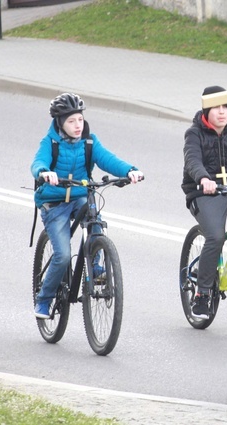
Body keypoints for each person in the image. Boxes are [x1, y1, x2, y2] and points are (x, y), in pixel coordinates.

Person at [31, 92, 144, 319]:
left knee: (95, 220)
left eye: (80, 120)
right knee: (62, 255)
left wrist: (129, 170)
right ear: (60, 123)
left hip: (80, 196)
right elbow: (38, 162)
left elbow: (108, 159)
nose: (77, 125)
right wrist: (45, 173)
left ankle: (96, 263)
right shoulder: (50, 142)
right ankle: (44, 299)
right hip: (54, 202)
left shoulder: (90, 141)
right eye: (71, 121)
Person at [181, 85, 227, 319]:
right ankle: (202, 294)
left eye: (225, 106)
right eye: (216, 107)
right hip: (204, 193)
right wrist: (204, 178)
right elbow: (192, 160)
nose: (221, 111)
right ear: (206, 110)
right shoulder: (194, 133)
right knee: (215, 237)